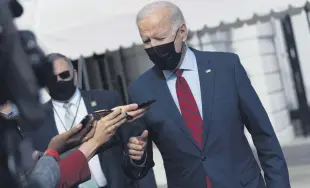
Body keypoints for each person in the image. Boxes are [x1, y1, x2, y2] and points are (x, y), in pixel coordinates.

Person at [122, 1, 291, 188]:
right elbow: (136, 168)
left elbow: (264, 136)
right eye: (146, 41)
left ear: (182, 32)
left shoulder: (227, 67)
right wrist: (136, 157)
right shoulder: (140, 90)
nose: (153, 47)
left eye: (160, 38)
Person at [22, 53, 146, 188]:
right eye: (52, 78)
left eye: (64, 75)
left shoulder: (107, 100)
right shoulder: (34, 120)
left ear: (75, 76)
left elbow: (135, 148)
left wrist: (137, 151)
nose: (59, 81)